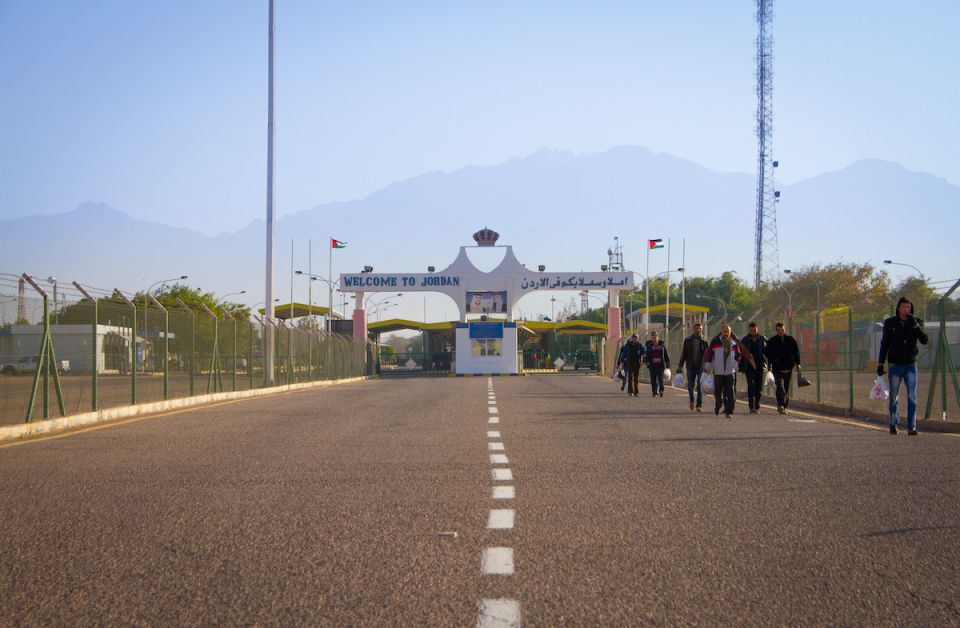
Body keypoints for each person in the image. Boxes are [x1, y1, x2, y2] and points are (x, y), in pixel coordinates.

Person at [878, 296, 929, 435]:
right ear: (898, 308)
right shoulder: (890, 323)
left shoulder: (916, 322)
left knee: (912, 396)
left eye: (908, 307)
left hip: (910, 365)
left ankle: (911, 426)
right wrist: (881, 363)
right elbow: (885, 344)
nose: (906, 309)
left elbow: (925, 340)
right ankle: (893, 423)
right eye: (903, 307)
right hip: (895, 365)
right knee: (894, 396)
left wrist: (915, 326)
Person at [703, 324, 745, 417]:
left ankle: (729, 411)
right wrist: (708, 365)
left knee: (730, 392)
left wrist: (736, 364)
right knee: (717, 392)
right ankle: (719, 402)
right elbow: (710, 354)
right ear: (721, 332)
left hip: (730, 371)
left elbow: (738, 355)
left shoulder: (733, 342)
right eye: (724, 331)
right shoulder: (716, 341)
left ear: (730, 332)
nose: (726, 333)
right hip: (718, 371)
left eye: (728, 331)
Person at [764, 322, 802, 414]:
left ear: (785, 329)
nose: (780, 331)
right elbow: (767, 354)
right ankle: (780, 405)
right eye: (778, 330)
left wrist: (798, 363)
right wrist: (770, 365)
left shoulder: (791, 340)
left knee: (786, 387)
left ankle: (784, 405)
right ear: (776, 330)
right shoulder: (772, 341)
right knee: (780, 387)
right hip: (777, 368)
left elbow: (796, 352)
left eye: (782, 329)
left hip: (788, 368)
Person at [677, 322, 708, 412]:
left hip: (700, 367)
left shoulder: (704, 340)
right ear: (693, 329)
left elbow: (708, 354)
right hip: (690, 366)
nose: (698, 330)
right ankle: (692, 400)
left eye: (700, 329)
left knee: (700, 385)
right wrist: (680, 365)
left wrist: (707, 365)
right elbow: (684, 353)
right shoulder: (688, 340)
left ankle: (699, 405)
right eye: (697, 328)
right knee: (690, 386)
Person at [740, 322, 768, 414]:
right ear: (749, 330)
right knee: (751, 386)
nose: (753, 332)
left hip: (760, 366)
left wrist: (769, 365)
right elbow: (741, 354)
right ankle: (751, 406)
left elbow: (768, 353)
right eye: (751, 331)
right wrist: (741, 367)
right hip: (749, 367)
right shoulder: (745, 340)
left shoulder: (762, 339)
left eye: (755, 330)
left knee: (758, 387)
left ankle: (757, 405)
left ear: (757, 329)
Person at [644, 331, 671, 398]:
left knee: (660, 379)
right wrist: (647, 362)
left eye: (655, 337)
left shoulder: (662, 346)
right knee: (653, 380)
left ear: (658, 337)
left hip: (660, 365)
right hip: (652, 366)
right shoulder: (649, 346)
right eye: (653, 337)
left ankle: (661, 390)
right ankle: (655, 392)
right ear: (651, 338)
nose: (654, 338)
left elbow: (666, 355)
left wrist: (668, 364)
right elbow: (646, 356)